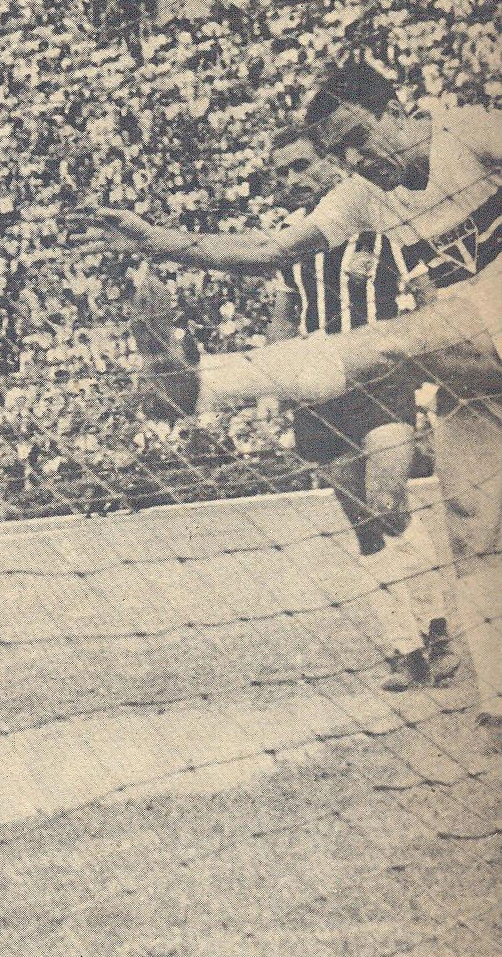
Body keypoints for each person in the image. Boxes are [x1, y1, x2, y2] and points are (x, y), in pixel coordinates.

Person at [79, 60, 502, 743]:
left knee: (388, 343)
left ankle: (203, 382)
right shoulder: (364, 195)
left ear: (395, 109)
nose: (355, 160)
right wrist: (158, 241)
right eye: (338, 153)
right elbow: (271, 249)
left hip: (469, 328)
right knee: (471, 530)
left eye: (358, 139)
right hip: (473, 371)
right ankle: (496, 705)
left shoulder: (473, 137)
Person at [263, 132, 452, 690]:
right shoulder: (293, 248)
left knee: (388, 501)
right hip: (322, 391)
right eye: (283, 173)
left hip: (382, 381)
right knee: (364, 526)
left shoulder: (382, 224)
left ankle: (437, 629)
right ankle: (404, 648)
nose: (292, 180)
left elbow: (429, 300)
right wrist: (281, 373)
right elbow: (282, 318)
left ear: (325, 161)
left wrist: (435, 367)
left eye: (299, 166)